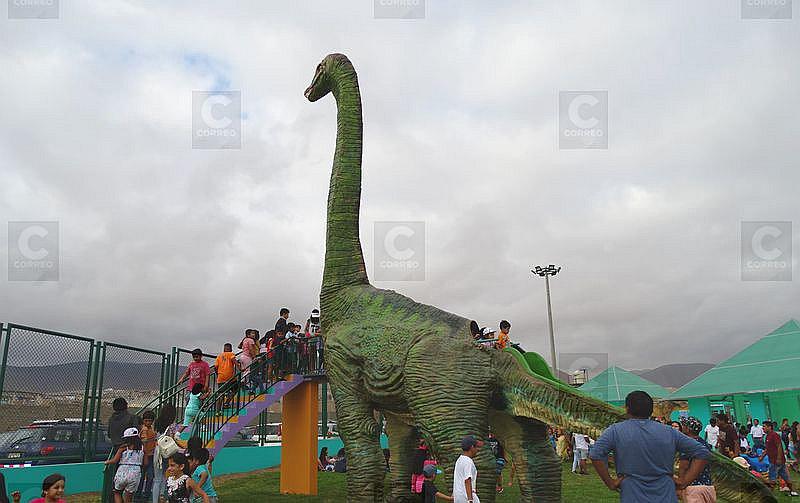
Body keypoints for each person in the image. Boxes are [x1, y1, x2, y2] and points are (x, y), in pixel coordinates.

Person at [589, 390, 711, 503]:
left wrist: (610, 482)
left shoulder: (615, 431)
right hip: (666, 493)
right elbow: (702, 452)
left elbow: (595, 454)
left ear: (627, 409)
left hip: (632, 493)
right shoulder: (669, 432)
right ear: (651, 411)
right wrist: (685, 481)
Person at [679, 416, 717, 503]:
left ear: (688, 429)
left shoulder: (687, 445)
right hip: (708, 487)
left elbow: (683, 467)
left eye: (683, 425)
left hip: (693, 488)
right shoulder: (705, 444)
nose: (682, 427)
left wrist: (681, 485)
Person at [105, 428, 145, 503]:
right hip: (135, 472)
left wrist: (107, 462)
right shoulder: (142, 448)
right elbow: (145, 462)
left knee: (117, 492)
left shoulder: (123, 447)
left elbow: (115, 460)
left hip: (123, 471)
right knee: (129, 496)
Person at [759, 421, 798, 496]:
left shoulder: (774, 435)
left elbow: (779, 446)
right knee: (785, 477)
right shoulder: (767, 436)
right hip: (775, 461)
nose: (763, 428)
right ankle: (793, 491)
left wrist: (779, 458)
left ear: (769, 427)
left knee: (772, 478)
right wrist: (762, 456)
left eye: (764, 426)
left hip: (775, 461)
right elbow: (767, 449)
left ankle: (769, 495)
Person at [151, 404, 178, 503]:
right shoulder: (172, 425)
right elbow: (173, 438)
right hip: (168, 453)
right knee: (166, 477)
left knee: (157, 479)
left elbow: (155, 436)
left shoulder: (157, 422)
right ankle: (163, 497)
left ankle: (155, 500)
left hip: (157, 452)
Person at [453, 435, 483, 503]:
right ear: (472, 447)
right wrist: (470, 500)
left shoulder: (459, 459)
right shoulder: (468, 461)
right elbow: (467, 480)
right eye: (476, 447)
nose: (477, 450)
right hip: (465, 497)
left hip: (458, 496)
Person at [137, 410, 157, 500]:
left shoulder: (151, 429)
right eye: (146, 420)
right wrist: (145, 456)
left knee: (148, 476)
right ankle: (142, 494)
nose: (148, 422)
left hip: (150, 455)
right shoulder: (144, 430)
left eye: (150, 420)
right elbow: (144, 443)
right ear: (143, 420)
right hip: (146, 456)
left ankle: (142, 494)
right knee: (146, 476)